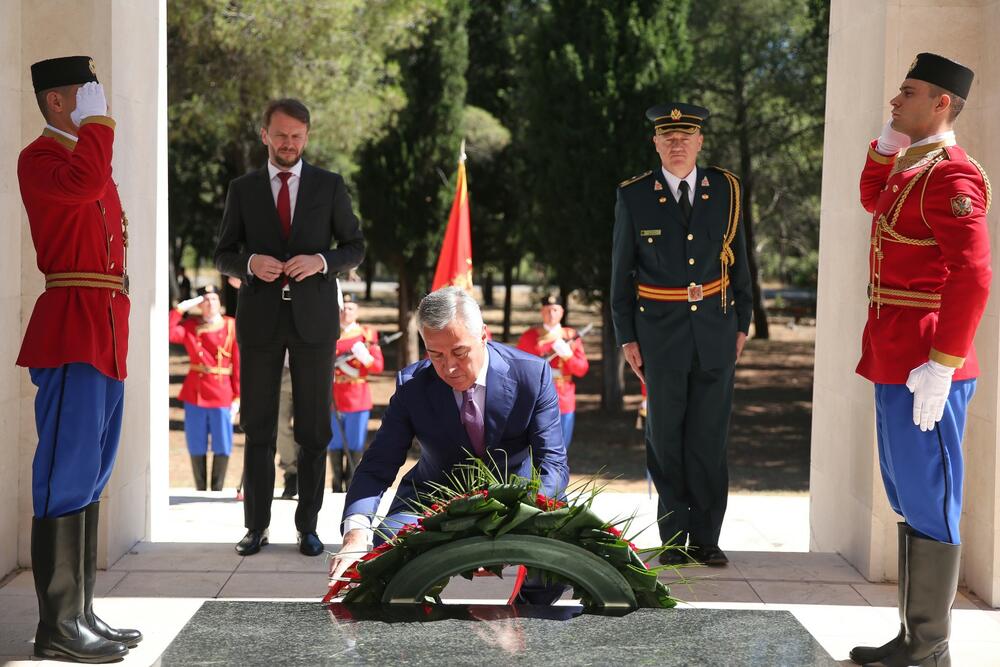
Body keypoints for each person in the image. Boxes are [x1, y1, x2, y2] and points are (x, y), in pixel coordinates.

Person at [849, 53, 991, 667]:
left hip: (927, 362)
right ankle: (912, 637)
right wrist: (885, 145)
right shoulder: (914, 168)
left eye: (907, 93)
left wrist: (943, 363)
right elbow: (870, 199)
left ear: (941, 103)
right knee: (907, 494)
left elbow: (976, 275)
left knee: (931, 498)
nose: (894, 100)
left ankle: (931, 648)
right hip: (893, 355)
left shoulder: (953, 177)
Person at [329, 287, 569, 602]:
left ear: (484, 335)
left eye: (459, 352)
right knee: (388, 549)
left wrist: (513, 520)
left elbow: (553, 464)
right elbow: (377, 466)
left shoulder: (531, 375)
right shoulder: (412, 386)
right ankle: (418, 624)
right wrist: (356, 535)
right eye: (436, 355)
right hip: (433, 496)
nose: (450, 368)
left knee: (559, 550)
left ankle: (526, 617)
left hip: (519, 497)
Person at [17, 56, 140, 662]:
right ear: (58, 102)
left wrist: (96, 132)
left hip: (103, 325)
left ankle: (81, 613)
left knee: (93, 470)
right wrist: (100, 127)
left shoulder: (85, 150)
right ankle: (57, 626)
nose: (99, 102)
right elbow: (87, 189)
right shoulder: (40, 158)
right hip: (71, 326)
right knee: (65, 470)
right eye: (86, 93)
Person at [214, 98, 365, 557]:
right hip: (259, 321)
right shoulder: (243, 189)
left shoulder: (329, 185)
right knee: (258, 427)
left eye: (297, 136)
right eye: (280, 135)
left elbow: (354, 247)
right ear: (265, 134)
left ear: (307, 137)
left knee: (315, 430)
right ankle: (255, 527)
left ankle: (308, 528)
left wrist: (321, 261)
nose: (288, 144)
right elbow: (222, 252)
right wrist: (249, 262)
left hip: (314, 323)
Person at [610, 103, 752, 567]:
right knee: (666, 440)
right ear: (655, 143)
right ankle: (673, 539)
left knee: (709, 440)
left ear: (699, 141)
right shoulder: (634, 195)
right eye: (667, 137)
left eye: (685, 136)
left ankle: (706, 540)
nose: (676, 144)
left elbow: (741, 261)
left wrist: (744, 321)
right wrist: (627, 336)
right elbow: (620, 275)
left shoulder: (726, 190)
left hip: (716, 330)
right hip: (659, 335)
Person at [169, 285, 240, 491]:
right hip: (195, 393)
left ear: (221, 303)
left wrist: (238, 397)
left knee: (222, 443)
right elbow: (168, 332)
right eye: (205, 300)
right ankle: (200, 488)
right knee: (196, 442)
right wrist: (181, 309)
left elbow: (238, 363)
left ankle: (216, 490)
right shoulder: (191, 326)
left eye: (214, 299)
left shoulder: (230, 326)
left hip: (221, 392)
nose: (210, 303)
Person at [516, 294, 589, 449]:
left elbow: (582, 369)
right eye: (547, 310)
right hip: (536, 398)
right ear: (542, 312)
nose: (551, 314)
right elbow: (519, 369)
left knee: (561, 449)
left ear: (562, 312)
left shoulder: (570, 336)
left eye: (555, 310)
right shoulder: (529, 337)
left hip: (563, 398)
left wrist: (568, 355)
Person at [330, 294, 384, 492]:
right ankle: (336, 485)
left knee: (355, 443)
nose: (346, 312)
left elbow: (378, 367)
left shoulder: (367, 335)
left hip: (357, 397)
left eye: (350, 308)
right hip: (334, 396)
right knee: (334, 443)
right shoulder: (330, 333)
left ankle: (352, 485)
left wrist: (365, 357)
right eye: (343, 308)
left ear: (357, 311)